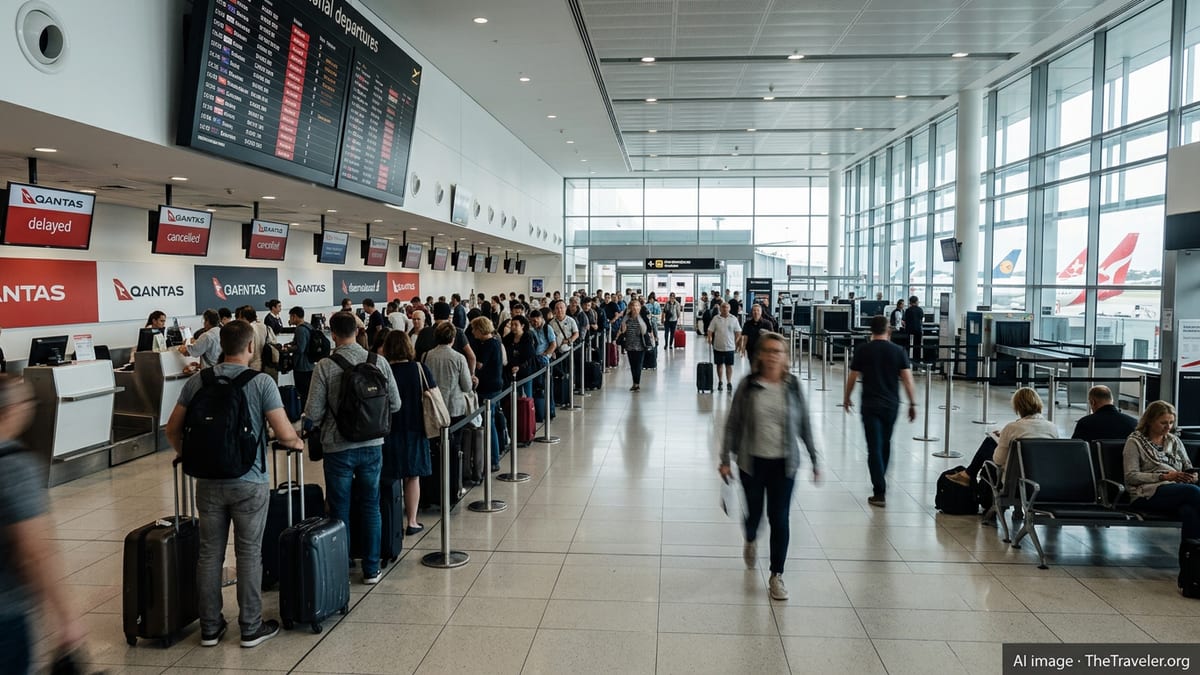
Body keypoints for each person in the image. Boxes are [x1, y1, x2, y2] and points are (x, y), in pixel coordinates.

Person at [165, 320, 304, 648]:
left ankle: (210, 627)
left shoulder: (199, 381)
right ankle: (250, 626)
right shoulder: (261, 383)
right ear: (251, 346)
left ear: (221, 345)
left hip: (208, 481)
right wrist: (297, 443)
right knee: (249, 552)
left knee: (209, 553)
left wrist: (192, 456)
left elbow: (172, 429)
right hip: (249, 480)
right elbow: (284, 433)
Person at [720, 332, 820, 602]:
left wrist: (814, 458)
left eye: (780, 351)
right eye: (770, 351)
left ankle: (777, 574)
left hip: (784, 465)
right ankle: (750, 538)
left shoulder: (793, 386)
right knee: (754, 515)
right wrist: (724, 459)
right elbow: (733, 423)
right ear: (760, 355)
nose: (775, 355)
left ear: (785, 357)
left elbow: (805, 424)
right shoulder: (748, 386)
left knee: (780, 517)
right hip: (752, 463)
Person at [304, 312, 401, 585]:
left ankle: (341, 566)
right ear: (358, 332)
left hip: (337, 447)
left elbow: (313, 411)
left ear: (332, 334)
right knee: (372, 506)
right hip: (373, 446)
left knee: (339, 508)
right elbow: (395, 404)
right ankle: (371, 568)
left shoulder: (325, 366)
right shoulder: (378, 361)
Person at [0, 375, 86, 668]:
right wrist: (67, 619)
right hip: (6, 614)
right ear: (11, 409)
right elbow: (36, 552)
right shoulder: (14, 467)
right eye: (26, 400)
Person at [843, 315, 918, 507]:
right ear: (889, 330)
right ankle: (880, 480)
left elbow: (852, 377)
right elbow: (908, 380)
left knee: (873, 447)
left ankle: (879, 490)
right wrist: (912, 403)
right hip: (891, 405)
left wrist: (846, 397)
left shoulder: (863, 350)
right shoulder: (898, 351)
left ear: (871, 331)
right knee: (885, 443)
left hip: (870, 405)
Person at [1124, 401, 1200, 546]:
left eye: (1171, 422)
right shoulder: (1135, 442)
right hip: (1147, 493)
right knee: (1192, 492)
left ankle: (1190, 562)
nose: (1168, 427)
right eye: (1163, 423)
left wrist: (1193, 476)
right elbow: (1130, 476)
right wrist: (1164, 476)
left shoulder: (1174, 441)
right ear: (1150, 421)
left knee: (1189, 511)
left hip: (1177, 489)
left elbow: (1188, 467)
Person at [380, 331, 433, 536]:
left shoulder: (383, 371)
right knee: (413, 477)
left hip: (388, 429)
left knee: (389, 476)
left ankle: (392, 522)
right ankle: (411, 521)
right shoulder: (419, 369)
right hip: (416, 428)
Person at [964, 387, 1059, 481]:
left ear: (1018, 407)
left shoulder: (1011, 428)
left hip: (1014, 482)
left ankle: (968, 475)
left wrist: (1002, 439)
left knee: (989, 443)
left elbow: (998, 460)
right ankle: (968, 474)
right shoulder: (1053, 428)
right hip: (1043, 479)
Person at [470, 317, 507, 469]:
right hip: (495, 385)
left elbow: (479, 365)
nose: (472, 332)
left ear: (480, 329)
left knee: (488, 423)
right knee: (491, 420)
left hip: (488, 389)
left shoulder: (487, 345)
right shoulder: (495, 341)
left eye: (474, 329)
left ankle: (493, 460)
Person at [1072, 385, 1138, 443]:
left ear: (1093, 402)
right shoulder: (1134, 423)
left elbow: (1076, 448)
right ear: (1112, 400)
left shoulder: (1085, 423)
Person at [615, 299, 654, 392]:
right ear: (630, 308)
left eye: (637, 306)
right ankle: (634, 383)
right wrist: (620, 334)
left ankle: (637, 383)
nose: (635, 308)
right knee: (632, 365)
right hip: (629, 344)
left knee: (638, 365)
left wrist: (653, 337)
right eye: (633, 306)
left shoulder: (643, 317)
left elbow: (649, 328)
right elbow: (622, 329)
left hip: (641, 345)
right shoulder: (626, 318)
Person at [707, 302, 742, 392]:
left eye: (726, 307)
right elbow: (710, 330)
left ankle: (729, 382)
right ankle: (720, 381)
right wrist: (710, 337)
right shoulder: (716, 318)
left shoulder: (733, 319)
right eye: (723, 307)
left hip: (730, 347)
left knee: (729, 366)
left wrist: (736, 342)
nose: (725, 309)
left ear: (729, 309)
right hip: (718, 346)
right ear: (720, 309)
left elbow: (738, 332)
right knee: (719, 365)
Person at [503, 315, 537, 399]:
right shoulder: (508, 338)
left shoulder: (528, 337)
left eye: (516, 325)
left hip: (525, 370)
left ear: (522, 326)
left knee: (527, 396)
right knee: (515, 397)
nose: (513, 327)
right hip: (511, 371)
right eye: (512, 325)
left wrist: (519, 366)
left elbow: (529, 355)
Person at [287, 307, 316, 404]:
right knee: (308, 392)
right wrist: (291, 343)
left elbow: (300, 348)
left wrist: (287, 349)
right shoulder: (308, 326)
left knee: (303, 393)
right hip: (310, 364)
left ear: (294, 316)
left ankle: (304, 412)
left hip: (302, 366)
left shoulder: (300, 329)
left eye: (290, 317)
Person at [902, 296, 925, 367]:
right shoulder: (920, 309)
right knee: (917, 346)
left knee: (907, 345)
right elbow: (922, 319)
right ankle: (916, 362)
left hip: (909, 329)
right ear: (916, 302)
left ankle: (906, 361)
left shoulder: (908, 310)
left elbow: (904, 320)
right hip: (918, 329)